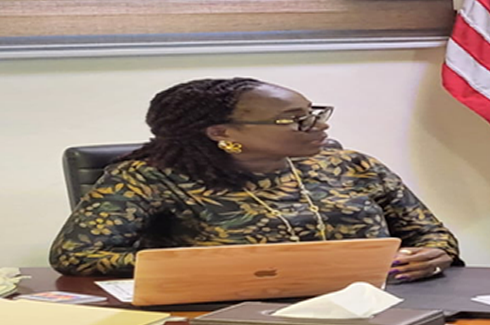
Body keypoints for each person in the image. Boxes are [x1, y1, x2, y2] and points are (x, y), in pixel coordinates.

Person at [50, 78, 458, 281]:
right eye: (295, 120)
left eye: (314, 113)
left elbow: (431, 234)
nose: (318, 126)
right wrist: (208, 267)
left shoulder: (350, 165)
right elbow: (76, 256)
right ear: (222, 133)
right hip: (232, 315)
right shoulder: (149, 178)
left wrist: (434, 254)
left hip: (379, 303)